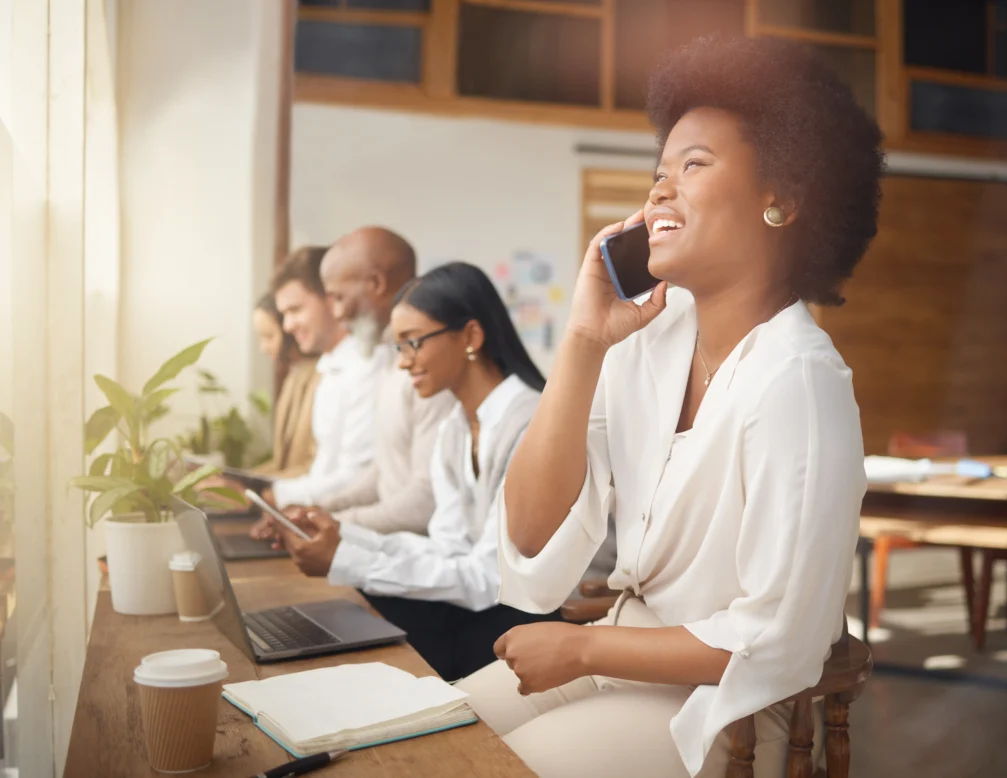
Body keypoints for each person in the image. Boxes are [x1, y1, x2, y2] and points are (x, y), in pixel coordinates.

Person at [458, 37, 883, 778]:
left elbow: (778, 641)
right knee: (419, 737)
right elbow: (530, 536)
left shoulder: (800, 382)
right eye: (659, 173)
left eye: (694, 166)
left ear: (780, 197)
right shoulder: (645, 346)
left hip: (734, 707)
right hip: (628, 653)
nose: (659, 191)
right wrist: (585, 342)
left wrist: (584, 647)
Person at [280, 262, 562, 682]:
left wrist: (348, 558)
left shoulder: (529, 424)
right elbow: (448, 550)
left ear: (470, 336)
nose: (403, 363)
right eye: (399, 347)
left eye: (413, 343)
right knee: (356, 613)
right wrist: (343, 538)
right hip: (491, 600)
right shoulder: (456, 427)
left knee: (371, 627)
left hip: (543, 615)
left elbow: (488, 579)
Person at [251, 226, 454, 539]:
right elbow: (380, 474)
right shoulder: (389, 359)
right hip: (387, 548)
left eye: (338, 297)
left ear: (375, 284)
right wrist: (314, 515)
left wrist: (333, 522)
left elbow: (423, 499)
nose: (338, 311)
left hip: (412, 556)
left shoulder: (425, 366)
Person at [267, 246, 387, 507]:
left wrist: (273, 496)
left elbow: (358, 477)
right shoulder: (329, 367)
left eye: (295, 310)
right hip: (322, 516)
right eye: (284, 314)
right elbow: (323, 471)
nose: (287, 326)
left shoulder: (367, 365)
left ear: (330, 300)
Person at [250, 292, 319, 479]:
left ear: (289, 331)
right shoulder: (293, 376)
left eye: (269, 336)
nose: (263, 348)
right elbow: (282, 463)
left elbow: (313, 467)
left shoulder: (322, 378)